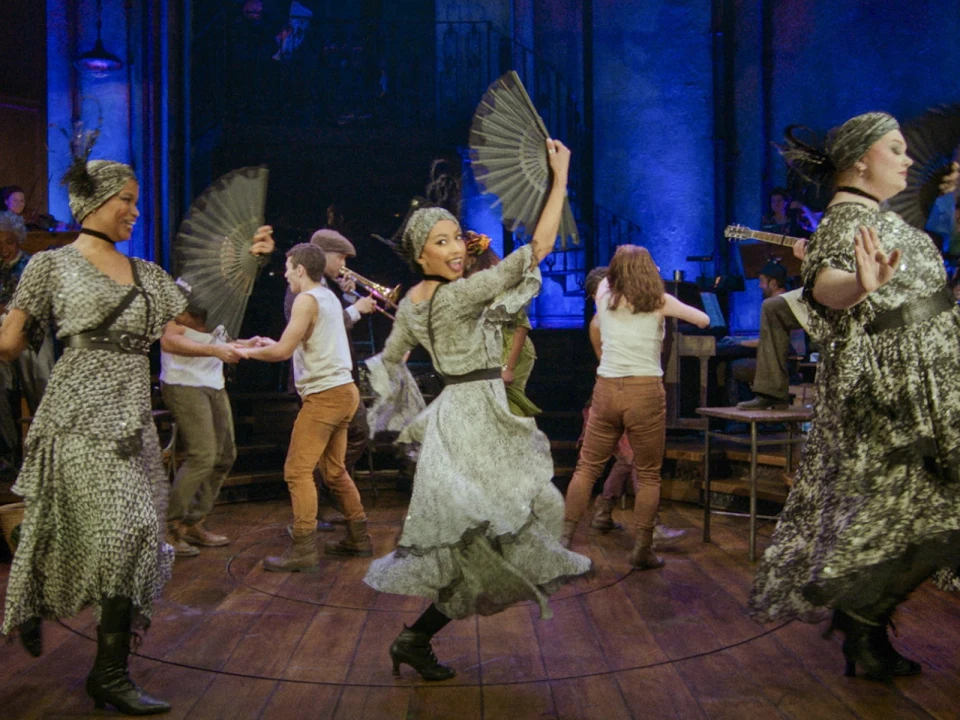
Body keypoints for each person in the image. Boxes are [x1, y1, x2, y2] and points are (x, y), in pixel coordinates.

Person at [362, 139, 591, 681]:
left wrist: (395, 413)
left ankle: (416, 638)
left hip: (460, 413)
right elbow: (536, 248)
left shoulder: (416, 302)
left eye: (455, 238)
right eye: (441, 243)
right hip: (474, 418)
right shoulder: (454, 297)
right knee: (506, 532)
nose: (455, 249)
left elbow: (389, 362)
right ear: (421, 255)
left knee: (486, 543)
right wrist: (560, 178)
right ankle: (416, 637)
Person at [749, 112, 960, 682]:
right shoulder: (845, 223)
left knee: (924, 514)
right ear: (861, 160)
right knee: (921, 513)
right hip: (899, 393)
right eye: (896, 149)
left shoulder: (880, 218)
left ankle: (865, 623)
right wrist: (860, 285)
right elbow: (825, 285)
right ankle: (863, 622)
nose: (908, 159)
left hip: (930, 378)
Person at [0, 158, 191, 714]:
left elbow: (178, 336)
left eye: (137, 200)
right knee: (128, 528)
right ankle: (107, 673)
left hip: (129, 422)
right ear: (94, 203)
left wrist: (233, 345)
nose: (135, 209)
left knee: (129, 535)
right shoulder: (49, 266)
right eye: (125, 200)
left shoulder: (149, 273)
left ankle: (103, 668)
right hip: (75, 416)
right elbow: (11, 344)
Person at [560, 246, 709, 567]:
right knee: (649, 474)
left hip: (607, 389)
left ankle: (564, 538)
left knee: (587, 468)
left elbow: (608, 281)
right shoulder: (659, 301)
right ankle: (642, 547)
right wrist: (658, 286)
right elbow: (703, 319)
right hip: (644, 392)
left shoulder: (602, 294)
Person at [238, 243, 369, 570]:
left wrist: (246, 353)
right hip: (344, 392)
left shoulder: (306, 299)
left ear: (300, 269)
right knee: (334, 471)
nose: (284, 274)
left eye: (287, 268)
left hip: (325, 397)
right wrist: (270, 345)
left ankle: (303, 549)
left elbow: (283, 352)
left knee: (296, 471)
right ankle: (359, 537)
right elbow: (299, 343)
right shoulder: (327, 297)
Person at [159, 265, 273, 557]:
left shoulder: (222, 296)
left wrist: (244, 345)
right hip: (183, 383)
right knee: (203, 455)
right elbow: (170, 340)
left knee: (224, 456)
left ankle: (193, 522)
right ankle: (169, 529)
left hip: (213, 382)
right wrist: (216, 351)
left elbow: (215, 341)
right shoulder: (184, 291)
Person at [581, 266, 685, 542]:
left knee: (628, 460)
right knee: (638, 461)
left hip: (625, 393)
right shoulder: (600, 322)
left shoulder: (616, 316)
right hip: (618, 393)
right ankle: (651, 526)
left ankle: (603, 512)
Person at [283, 228, 376, 529]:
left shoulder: (319, 292)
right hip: (325, 384)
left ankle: (305, 542)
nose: (344, 265)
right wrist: (356, 307)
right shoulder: (303, 292)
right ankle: (352, 528)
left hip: (329, 386)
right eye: (341, 258)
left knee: (303, 468)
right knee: (328, 466)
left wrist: (350, 298)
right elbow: (299, 335)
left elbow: (324, 329)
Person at [462, 230, 541, 416]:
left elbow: (521, 325)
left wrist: (509, 367)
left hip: (511, 350)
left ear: (472, 259)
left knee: (508, 409)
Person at [733, 258, 808, 409]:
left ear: (773, 283)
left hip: (789, 362)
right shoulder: (776, 305)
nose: (760, 286)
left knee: (735, 367)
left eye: (762, 282)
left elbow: (774, 342)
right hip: (782, 358)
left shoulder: (788, 304)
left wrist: (739, 342)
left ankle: (735, 423)